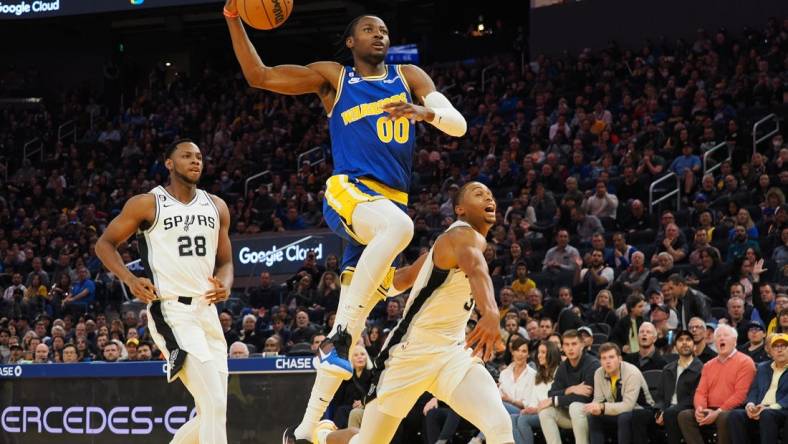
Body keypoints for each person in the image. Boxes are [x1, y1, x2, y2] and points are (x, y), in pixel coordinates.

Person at [227, 4, 466, 441]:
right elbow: (259, 75)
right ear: (351, 42)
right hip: (351, 191)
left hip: (386, 208)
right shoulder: (335, 78)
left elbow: (459, 125)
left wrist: (425, 113)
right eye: (370, 29)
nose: (380, 35)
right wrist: (232, 18)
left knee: (357, 316)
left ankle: (300, 433)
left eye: (385, 30)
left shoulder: (408, 78)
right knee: (401, 231)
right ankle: (339, 334)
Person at [318, 182, 513, 444]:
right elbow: (477, 270)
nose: (488, 197)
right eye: (478, 194)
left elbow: (402, 279)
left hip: (451, 354)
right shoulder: (462, 238)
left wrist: (371, 277)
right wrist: (490, 313)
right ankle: (321, 436)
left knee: (500, 426)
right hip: (408, 354)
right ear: (460, 209)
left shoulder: (441, 249)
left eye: (490, 194)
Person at [96, 139, 233, 444]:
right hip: (172, 310)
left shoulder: (217, 206)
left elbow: (225, 262)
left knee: (214, 409)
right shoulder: (148, 203)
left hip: (208, 313)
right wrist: (130, 279)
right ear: (169, 164)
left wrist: (225, 283)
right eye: (186, 156)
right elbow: (104, 244)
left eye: (199, 156)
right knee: (213, 404)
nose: (195, 161)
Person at [677, 324, 756, 444]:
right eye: (718, 336)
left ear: (735, 341)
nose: (721, 338)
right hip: (709, 409)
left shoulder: (745, 362)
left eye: (725, 335)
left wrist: (718, 411)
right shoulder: (708, 365)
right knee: (684, 416)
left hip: (732, 410)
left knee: (724, 417)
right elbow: (700, 392)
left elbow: (741, 395)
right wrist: (700, 409)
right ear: (714, 341)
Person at [538, 329, 600, 444]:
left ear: (582, 345)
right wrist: (570, 389)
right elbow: (551, 393)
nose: (570, 348)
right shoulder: (563, 366)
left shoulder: (592, 364)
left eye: (574, 344)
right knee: (545, 412)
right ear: (562, 348)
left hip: (590, 413)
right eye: (567, 344)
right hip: (570, 414)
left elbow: (586, 397)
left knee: (575, 407)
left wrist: (555, 400)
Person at [585, 342, 654, 444]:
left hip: (641, 409)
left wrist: (602, 407)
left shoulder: (632, 373)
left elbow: (628, 406)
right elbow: (598, 400)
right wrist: (593, 408)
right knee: (594, 418)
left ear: (620, 359)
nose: (608, 361)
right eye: (604, 358)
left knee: (624, 417)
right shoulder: (598, 373)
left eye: (611, 357)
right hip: (617, 410)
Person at [728, 333, 788, 444]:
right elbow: (754, 390)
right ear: (771, 351)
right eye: (776, 346)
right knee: (735, 415)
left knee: (767, 414)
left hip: (781, 410)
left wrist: (770, 407)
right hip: (760, 408)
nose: (780, 350)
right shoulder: (762, 368)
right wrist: (750, 404)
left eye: (784, 346)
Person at [654, 329, 704, 444]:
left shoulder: (701, 369)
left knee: (671, 414)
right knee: (643, 416)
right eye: (681, 340)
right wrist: (659, 411)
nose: (685, 343)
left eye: (688, 340)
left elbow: (694, 398)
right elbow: (660, 396)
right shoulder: (667, 369)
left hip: (688, 410)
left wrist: (668, 411)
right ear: (675, 346)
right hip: (667, 409)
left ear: (694, 345)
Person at [512, 340, 561, 444]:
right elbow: (534, 400)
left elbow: (554, 400)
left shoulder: (559, 372)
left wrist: (535, 409)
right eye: (539, 352)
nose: (539, 355)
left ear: (551, 354)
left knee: (523, 420)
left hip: (552, 413)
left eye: (543, 352)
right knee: (512, 418)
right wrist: (530, 408)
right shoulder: (538, 375)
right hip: (537, 411)